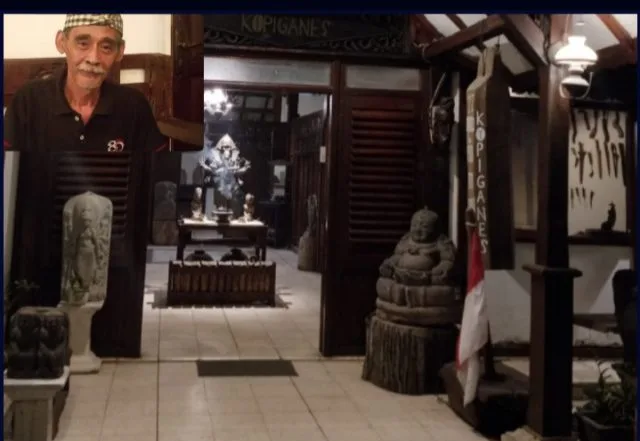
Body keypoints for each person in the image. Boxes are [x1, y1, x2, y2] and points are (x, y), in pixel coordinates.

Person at [4, 14, 168, 152]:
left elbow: (158, 172)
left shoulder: (134, 106)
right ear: (62, 42)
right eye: (83, 44)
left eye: (106, 47)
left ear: (120, 51)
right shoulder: (28, 101)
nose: (93, 58)